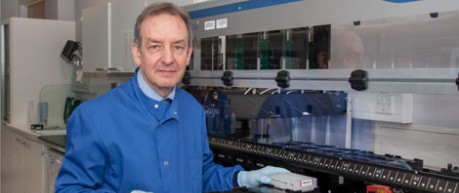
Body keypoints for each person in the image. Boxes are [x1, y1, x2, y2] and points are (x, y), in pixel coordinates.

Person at [55, 2, 289, 193]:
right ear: (137, 53)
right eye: (155, 46)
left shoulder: (193, 110)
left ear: (188, 54)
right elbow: (70, 189)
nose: (168, 59)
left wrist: (243, 178)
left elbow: (202, 174)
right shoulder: (93, 117)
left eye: (177, 47)